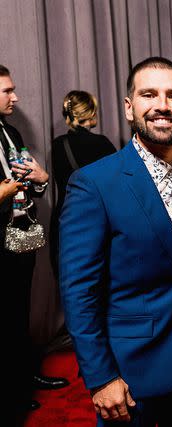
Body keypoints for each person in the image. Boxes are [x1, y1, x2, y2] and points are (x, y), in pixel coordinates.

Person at [59, 57, 172, 426]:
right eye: (149, 94)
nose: (162, 105)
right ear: (129, 107)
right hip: (131, 369)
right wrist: (100, 378)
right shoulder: (94, 183)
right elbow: (79, 291)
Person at [1, 64, 64, 423]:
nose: (16, 97)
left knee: (19, 310)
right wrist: (7, 188)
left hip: (21, 235)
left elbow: (26, 175)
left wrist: (39, 179)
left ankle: (24, 380)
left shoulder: (9, 131)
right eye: (7, 91)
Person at [50, 90, 116, 276]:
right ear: (90, 113)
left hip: (65, 218)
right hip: (96, 220)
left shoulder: (57, 144)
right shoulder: (102, 143)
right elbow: (115, 186)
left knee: (70, 280)